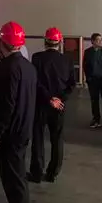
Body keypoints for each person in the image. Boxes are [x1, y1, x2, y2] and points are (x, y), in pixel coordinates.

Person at [0, 21, 37, 203]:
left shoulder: (7, 68)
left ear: (2, 42)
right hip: (24, 129)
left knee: (14, 182)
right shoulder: (28, 66)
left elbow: (7, 105)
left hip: (10, 134)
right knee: (18, 178)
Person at [28, 27, 75, 184]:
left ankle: (36, 173)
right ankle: (53, 173)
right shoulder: (67, 60)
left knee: (38, 138)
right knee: (57, 139)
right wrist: (59, 99)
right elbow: (71, 84)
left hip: (41, 104)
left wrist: (49, 98)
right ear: (60, 42)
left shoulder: (37, 58)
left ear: (45, 41)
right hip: (59, 106)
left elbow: (36, 82)